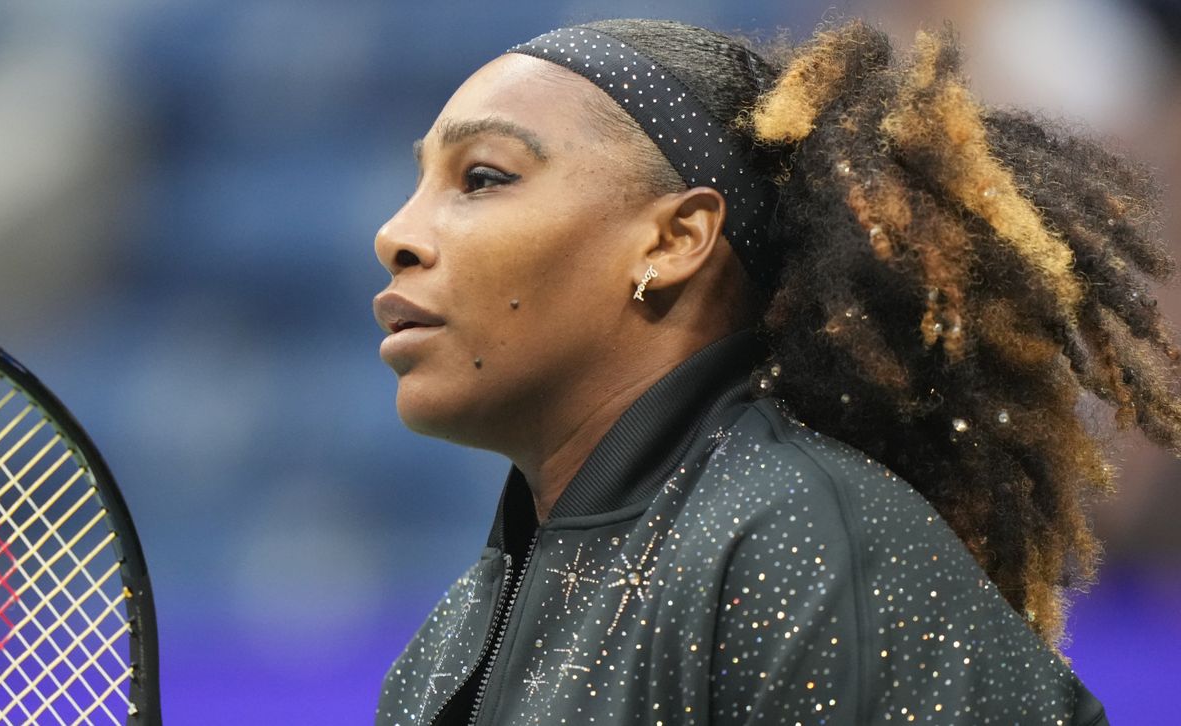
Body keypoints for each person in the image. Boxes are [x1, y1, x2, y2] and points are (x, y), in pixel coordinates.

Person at [371, 17, 1178, 725]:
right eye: (419, 182)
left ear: (673, 239)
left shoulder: (803, 542)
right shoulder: (454, 639)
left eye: (482, 178)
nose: (395, 234)